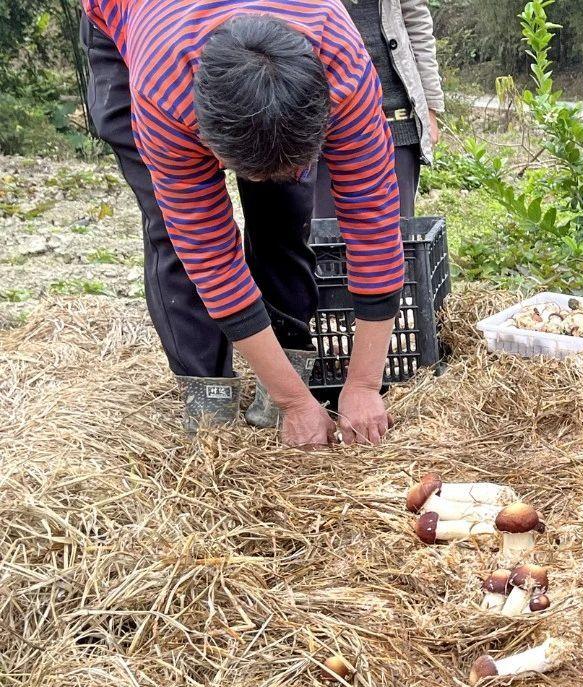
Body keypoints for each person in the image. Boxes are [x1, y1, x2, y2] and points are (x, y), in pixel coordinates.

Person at [81, 0, 404, 446]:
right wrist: (295, 404)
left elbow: (373, 215)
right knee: (171, 230)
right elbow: (207, 250)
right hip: (144, 28)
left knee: (285, 207)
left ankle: (289, 358)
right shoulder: (165, 92)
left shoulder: (340, 63)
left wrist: (364, 384)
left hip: (282, 47)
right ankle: (209, 392)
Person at [313, 0, 444, 220]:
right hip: (324, 123)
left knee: (396, 234)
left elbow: (417, 23)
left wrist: (430, 106)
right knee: (326, 239)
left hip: (396, 121)